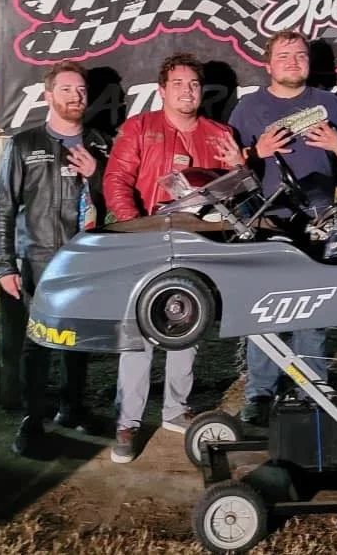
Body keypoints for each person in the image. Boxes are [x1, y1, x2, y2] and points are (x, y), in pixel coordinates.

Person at [103, 53, 243, 463]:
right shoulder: (140, 128)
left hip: (196, 245)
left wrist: (238, 168)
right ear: (162, 90)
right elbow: (116, 180)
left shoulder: (219, 133)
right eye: (178, 84)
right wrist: (136, 228)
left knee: (187, 325)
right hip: (144, 242)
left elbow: (234, 193)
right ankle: (128, 421)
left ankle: (175, 408)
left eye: (194, 84)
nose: (187, 91)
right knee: (138, 331)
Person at [228, 30, 337, 426]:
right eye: (284, 55)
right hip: (268, 220)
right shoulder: (248, 108)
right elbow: (230, 163)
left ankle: (312, 388)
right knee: (264, 311)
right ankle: (259, 393)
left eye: (300, 55)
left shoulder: (329, 103)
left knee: (313, 308)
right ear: (268, 64)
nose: (293, 62)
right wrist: (257, 152)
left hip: (319, 220)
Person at [0, 61, 110, 457]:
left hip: (87, 260)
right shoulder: (25, 144)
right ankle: (32, 420)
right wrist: (4, 264)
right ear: (48, 96)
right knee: (38, 343)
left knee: (78, 339)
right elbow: (3, 208)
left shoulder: (101, 143)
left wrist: (97, 174)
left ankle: (72, 408)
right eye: (66, 89)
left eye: (81, 90)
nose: (76, 96)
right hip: (38, 260)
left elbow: (119, 200)